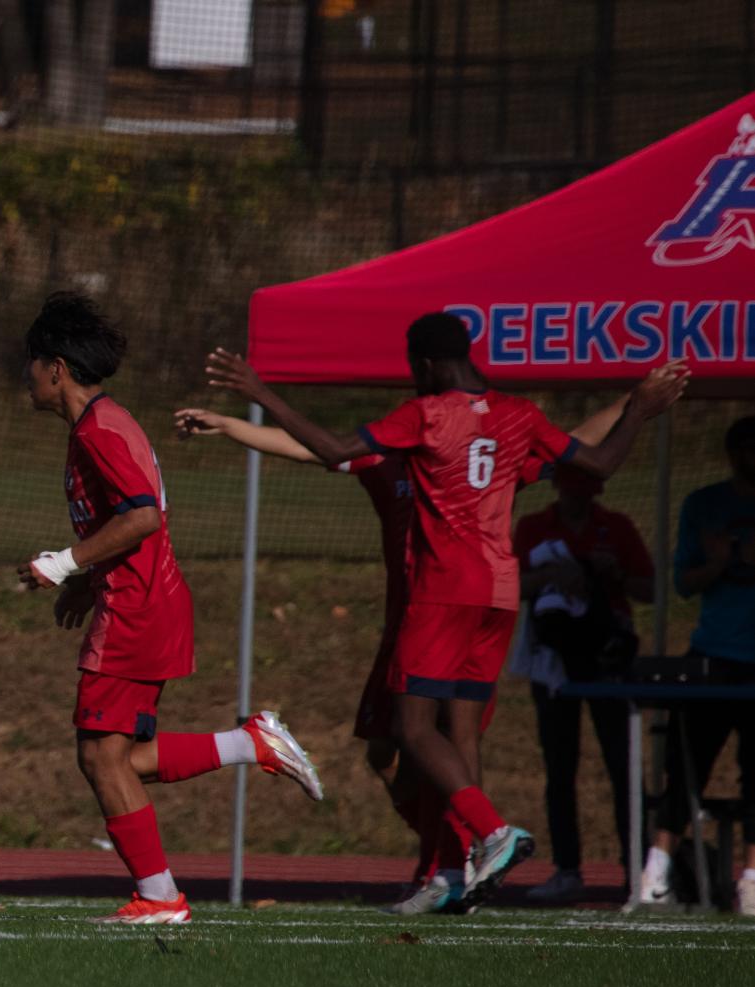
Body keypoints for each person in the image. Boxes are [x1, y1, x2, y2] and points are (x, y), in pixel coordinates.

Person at [208, 311, 685, 908]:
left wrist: (257, 392)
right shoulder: (519, 416)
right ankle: (459, 872)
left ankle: (489, 834)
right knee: (457, 735)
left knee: (411, 730)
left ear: (428, 364)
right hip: (501, 595)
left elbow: (330, 447)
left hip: (441, 592)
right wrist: (638, 406)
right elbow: (598, 461)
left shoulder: (426, 416)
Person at [17, 292, 324, 926]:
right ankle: (249, 744)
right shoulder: (98, 426)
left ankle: (160, 898)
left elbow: (143, 516)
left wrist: (64, 562)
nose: (26, 375)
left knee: (101, 758)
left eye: (31, 363)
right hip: (140, 602)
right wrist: (85, 578)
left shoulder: (100, 429)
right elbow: (126, 522)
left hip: (138, 609)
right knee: (119, 761)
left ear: (56, 367)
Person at [512, 465, 653, 904]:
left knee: (623, 765)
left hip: (605, 656)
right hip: (555, 656)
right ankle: (568, 868)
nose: (578, 498)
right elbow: (512, 582)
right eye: (571, 489)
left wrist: (607, 574)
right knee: (559, 765)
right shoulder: (535, 527)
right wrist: (554, 576)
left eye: (586, 490)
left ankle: (640, 871)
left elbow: (648, 588)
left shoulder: (616, 527)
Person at [640, 415, 755, 915]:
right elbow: (684, 581)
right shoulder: (705, 505)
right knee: (683, 766)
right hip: (712, 655)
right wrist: (722, 560)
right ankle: (656, 873)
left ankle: (751, 880)